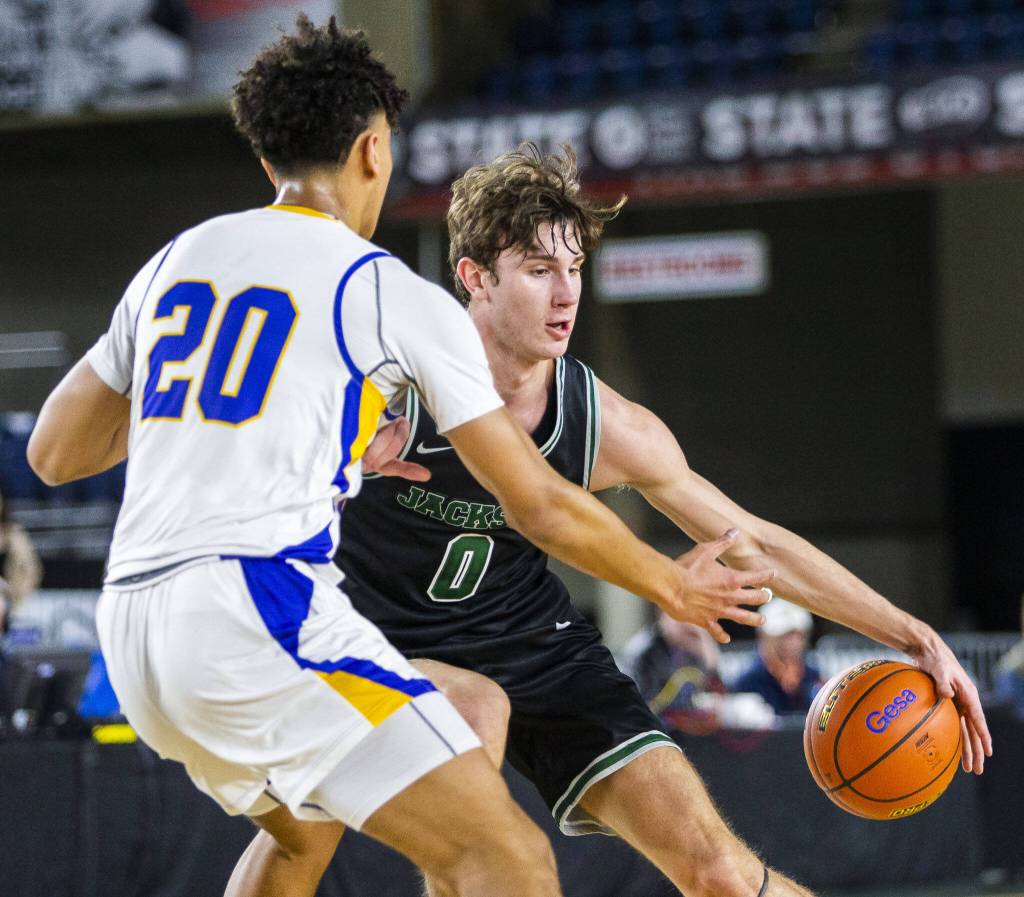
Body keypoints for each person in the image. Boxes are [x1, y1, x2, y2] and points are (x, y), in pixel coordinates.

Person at [25, 19, 774, 897]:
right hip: (256, 608)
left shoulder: (177, 259)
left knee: (309, 835)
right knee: (510, 859)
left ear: (268, 160)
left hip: (137, 630)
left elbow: (53, 452)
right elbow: (538, 501)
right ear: (374, 149)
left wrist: (261, 426)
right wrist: (671, 585)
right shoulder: (379, 288)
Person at [330, 145, 991, 897]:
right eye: (539, 270)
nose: (565, 295)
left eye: (574, 268)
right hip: (376, 638)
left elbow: (755, 542)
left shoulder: (606, 425)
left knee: (723, 876)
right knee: (463, 780)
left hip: (529, 643)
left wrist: (912, 633)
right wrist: (339, 463)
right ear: (475, 277)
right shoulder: (385, 381)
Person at [621, 612, 727, 732]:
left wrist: (706, 645)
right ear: (662, 616)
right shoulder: (646, 651)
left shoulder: (691, 645)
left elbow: (715, 687)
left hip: (684, 726)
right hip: (651, 728)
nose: (687, 624)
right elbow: (646, 705)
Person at [732, 598, 822, 716]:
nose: (794, 644)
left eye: (799, 636)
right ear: (764, 638)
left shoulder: (813, 677)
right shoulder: (749, 682)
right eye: (784, 636)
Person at [0, 486, 43, 718]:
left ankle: (9, 717)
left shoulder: (13, 534)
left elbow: (31, 570)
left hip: (6, 605)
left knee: (7, 662)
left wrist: (15, 595)